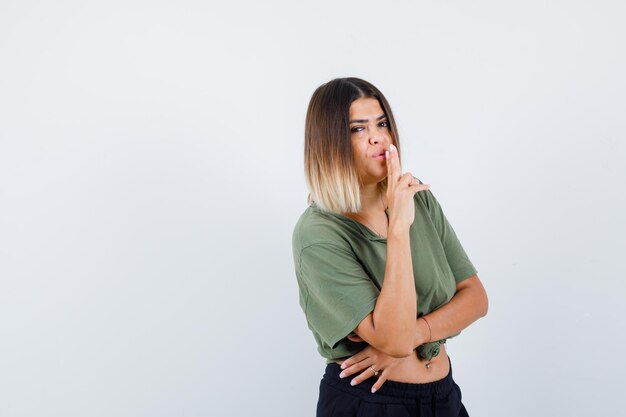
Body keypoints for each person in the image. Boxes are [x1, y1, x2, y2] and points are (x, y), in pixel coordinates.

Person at [292, 77, 489, 417]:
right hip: (371, 403)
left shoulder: (418, 199)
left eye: (382, 123)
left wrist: (415, 335)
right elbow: (391, 339)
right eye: (358, 128)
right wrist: (398, 228)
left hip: (443, 398)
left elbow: (475, 297)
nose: (377, 136)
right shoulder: (318, 233)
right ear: (329, 143)